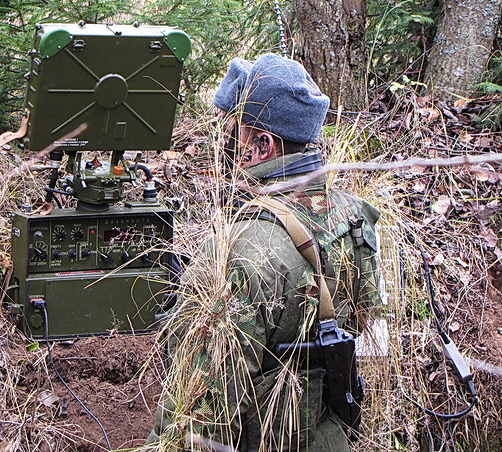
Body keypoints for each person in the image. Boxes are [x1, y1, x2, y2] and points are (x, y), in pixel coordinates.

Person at [148, 53, 380, 452]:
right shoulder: (354, 215)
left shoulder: (239, 250)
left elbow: (196, 422)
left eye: (234, 132)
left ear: (262, 145)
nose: (226, 146)